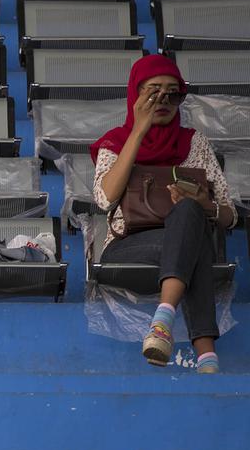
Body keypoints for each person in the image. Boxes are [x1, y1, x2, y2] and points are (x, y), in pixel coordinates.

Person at [90, 54, 238, 373]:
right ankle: (205, 352)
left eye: (173, 93)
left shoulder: (194, 142)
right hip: (129, 246)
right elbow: (105, 198)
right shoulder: (115, 142)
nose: (164, 100)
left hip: (186, 237)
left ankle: (163, 321)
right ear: (136, 94)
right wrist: (138, 131)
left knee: (189, 212)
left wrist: (205, 204)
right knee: (194, 243)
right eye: (154, 91)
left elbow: (230, 217)